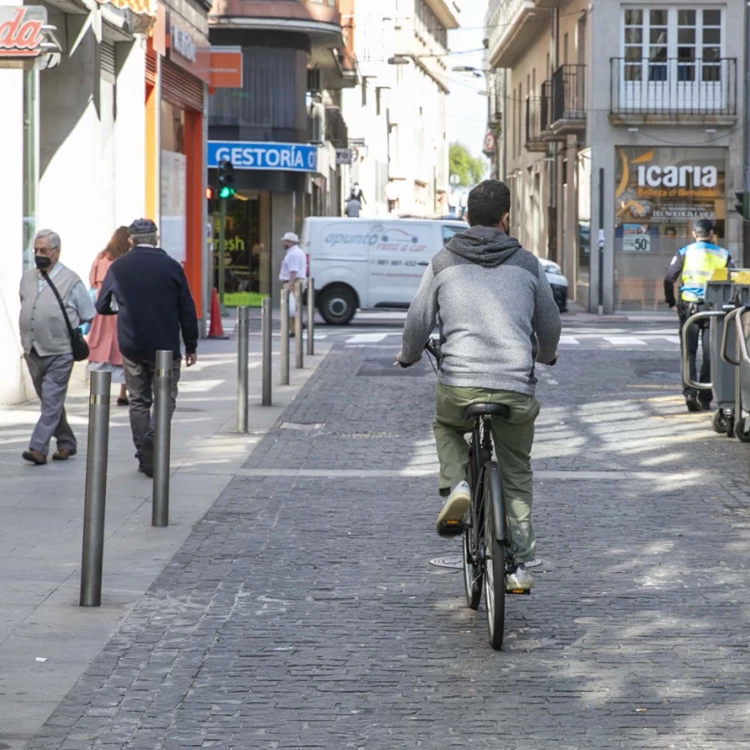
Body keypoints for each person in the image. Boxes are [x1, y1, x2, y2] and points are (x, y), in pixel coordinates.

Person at [396, 180, 561, 591]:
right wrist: (545, 354)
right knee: (516, 471)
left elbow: (418, 323)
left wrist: (409, 354)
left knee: (447, 427)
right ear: (506, 218)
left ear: (466, 217)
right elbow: (550, 325)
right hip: (514, 388)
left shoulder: (443, 260)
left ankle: (460, 484)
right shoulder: (527, 263)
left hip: (459, 387)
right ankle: (519, 566)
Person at [96, 219, 199, 477]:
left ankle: (145, 457)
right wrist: (191, 344)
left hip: (132, 345)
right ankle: (154, 435)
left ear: (131, 240)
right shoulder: (172, 267)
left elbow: (102, 305)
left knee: (138, 400)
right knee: (166, 397)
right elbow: (187, 308)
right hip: (165, 346)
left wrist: (122, 308)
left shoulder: (119, 266)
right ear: (156, 238)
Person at [18, 229, 96, 465]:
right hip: (33, 350)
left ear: (56, 252)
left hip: (60, 351)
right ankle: (67, 442)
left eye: (44, 251)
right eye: (36, 250)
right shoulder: (28, 278)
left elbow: (88, 313)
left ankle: (37, 447)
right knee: (50, 402)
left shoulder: (71, 280)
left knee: (51, 401)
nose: (39, 255)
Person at [664, 218, 733, 413]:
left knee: (689, 352)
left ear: (694, 234)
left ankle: (689, 393)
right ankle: (705, 397)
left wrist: (670, 302)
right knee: (711, 353)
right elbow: (733, 279)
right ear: (712, 234)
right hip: (714, 309)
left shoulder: (685, 252)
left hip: (689, 309)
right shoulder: (723, 254)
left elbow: (669, 278)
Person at [87, 226, 130, 406]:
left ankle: (98, 394)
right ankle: (123, 393)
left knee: (100, 347)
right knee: (123, 350)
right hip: (120, 308)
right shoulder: (125, 261)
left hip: (102, 309)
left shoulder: (101, 257)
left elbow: (91, 280)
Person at [279, 231, 307, 321]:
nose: (284, 243)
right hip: (297, 281)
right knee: (293, 306)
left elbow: (293, 270)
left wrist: (290, 284)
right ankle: (295, 328)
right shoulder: (298, 252)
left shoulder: (293, 254)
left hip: (294, 281)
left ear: (290, 242)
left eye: (285, 241)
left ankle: (295, 328)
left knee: (291, 306)